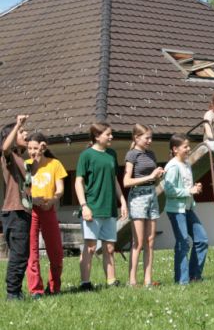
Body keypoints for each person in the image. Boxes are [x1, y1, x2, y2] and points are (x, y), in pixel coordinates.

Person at [75, 122, 128, 290]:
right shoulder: (86, 156)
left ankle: (111, 281)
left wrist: (123, 201)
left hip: (109, 209)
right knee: (90, 248)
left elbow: (114, 180)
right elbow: (78, 182)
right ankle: (85, 283)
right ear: (97, 136)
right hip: (92, 209)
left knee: (110, 247)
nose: (111, 136)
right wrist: (84, 206)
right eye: (108, 134)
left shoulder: (112, 154)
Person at [164, 134, 208, 285]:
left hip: (188, 208)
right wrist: (189, 191)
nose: (189, 149)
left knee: (202, 240)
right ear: (175, 149)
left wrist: (195, 187)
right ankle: (182, 281)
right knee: (183, 244)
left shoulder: (186, 164)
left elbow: (185, 186)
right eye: (185, 147)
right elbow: (169, 190)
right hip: (176, 210)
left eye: (189, 146)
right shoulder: (172, 166)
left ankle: (194, 276)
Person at [26, 133, 67, 298]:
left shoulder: (54, 164)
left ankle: (54, 287)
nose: (31, 152)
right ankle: (36, 289)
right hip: (31, 211)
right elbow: (24, 190)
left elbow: (60, 189)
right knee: (32, 251)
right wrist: (33, 199)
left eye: (35, 148)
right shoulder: (27, 166)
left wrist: (53, 200)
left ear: (43, 147)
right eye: (29, 148)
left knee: (56, 251)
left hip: (49, 210)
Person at [123, 124, 164, 287]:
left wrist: (158, 176)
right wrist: (150, 177)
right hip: (138, 197)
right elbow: (126, 182)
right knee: (138, 242)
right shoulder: (132, 155)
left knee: (150, 240)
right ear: (137, 138)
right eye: (147, 138)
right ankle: (132, 281)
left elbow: (153, 178)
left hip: (152, 195)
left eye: (151, 137)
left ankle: (148, 280)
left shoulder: (151, 154)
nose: (150, 141)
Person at [1, 114, 31, 301]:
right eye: (21, 132)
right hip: (14, 212)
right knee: (19, 254)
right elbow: (4, 147)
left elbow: (26, 188)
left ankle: (16, 291)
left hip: (23, 211)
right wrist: (17, 124)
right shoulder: (9, 156)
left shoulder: (21, 159)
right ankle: (12, 294)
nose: (26, 134)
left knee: (22, 254)